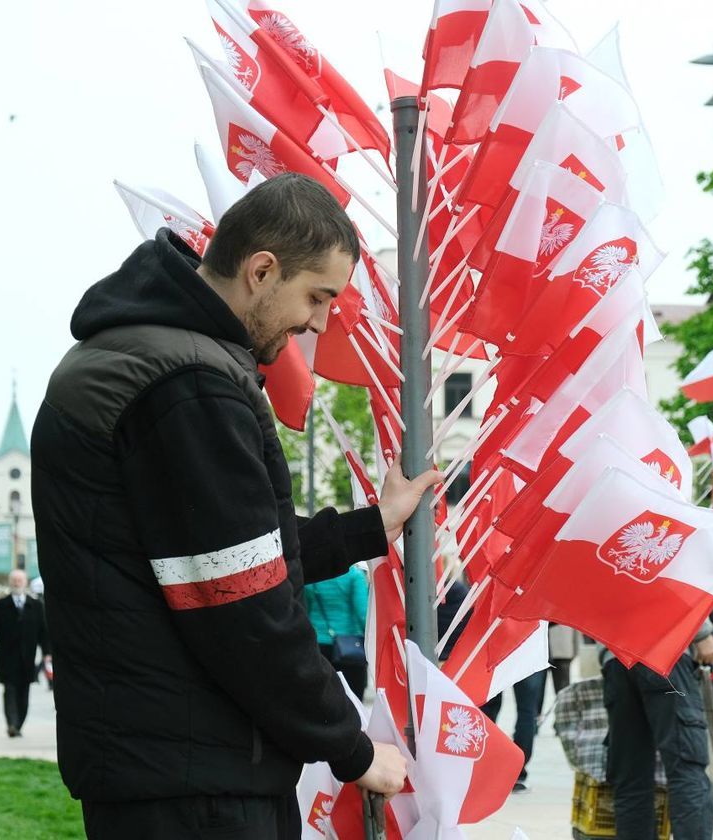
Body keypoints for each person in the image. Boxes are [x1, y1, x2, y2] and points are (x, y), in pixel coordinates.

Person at [30, 174, 436, 838]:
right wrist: (353, 749)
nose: (319, 322)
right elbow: (244, 609)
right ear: (261, 270)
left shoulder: (151, 354)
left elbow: (229, 552)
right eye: (317, 296)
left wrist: (371, 526)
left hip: (164, 763)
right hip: (195, 777)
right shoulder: (189, 386)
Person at [601, 620, 713, 840]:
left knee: (631, 778)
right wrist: (702, 633)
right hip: (665, 651)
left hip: (617, 655)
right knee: (686, 768)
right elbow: (671, 584)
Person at [0, 569, 50, 737]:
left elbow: (43, 632)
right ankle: (11, 723)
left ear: (25, 582)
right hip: (7, 657)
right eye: (14, 580)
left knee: (24, 692)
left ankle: (19, 723)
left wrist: (47, 652)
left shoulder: (36, 606)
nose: (17, 583)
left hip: (27, 657)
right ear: (10, 583)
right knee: (9, 691)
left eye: (20, 580)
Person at [304, 566, 369, 699]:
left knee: (323, 699)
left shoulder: (313, 575)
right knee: (353, 699)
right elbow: (363, 614)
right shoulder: (354, 575)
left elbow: (306, 609)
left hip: (318, 644)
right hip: (350, 647)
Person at [482, 670, 548, 792]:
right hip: (528, 654)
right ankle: (517, 773)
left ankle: (485, 768)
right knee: (527, 711)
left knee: (489, 705)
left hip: (495, 656)